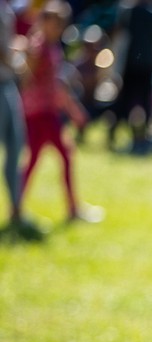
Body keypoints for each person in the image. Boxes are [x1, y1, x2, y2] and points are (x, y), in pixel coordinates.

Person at [18, 0, 103, 224]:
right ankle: (67, 209)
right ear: (44, 22)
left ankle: (22, 208)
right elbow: (27, 78)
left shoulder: (51, 46)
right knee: (48, 158)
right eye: (54, 23)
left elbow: (57, 86)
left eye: (60, 24)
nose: (58, 28)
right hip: (39, 113)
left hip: (47, 112)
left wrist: (72, 109)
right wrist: (74, 111)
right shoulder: (39, 46)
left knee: (51, 158)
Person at [108, 0, 152, 154]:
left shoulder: (128, 12)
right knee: (143, 103)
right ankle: (141, 139)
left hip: (132, 64)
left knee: (126, 101)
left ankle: (122, 135)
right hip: (145, 65)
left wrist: (115, 66)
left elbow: (119, 38)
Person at [0, 0, 24, 225]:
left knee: (16, 146)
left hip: (7, 84)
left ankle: (16, 211)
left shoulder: (7, 8)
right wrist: (18, 60)